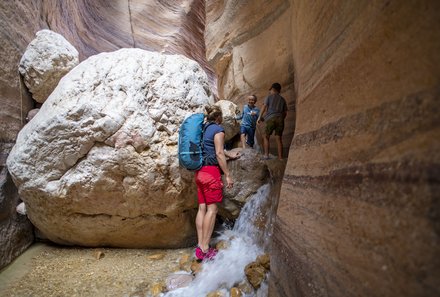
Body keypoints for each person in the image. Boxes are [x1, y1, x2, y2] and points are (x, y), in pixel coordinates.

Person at [194, 105, 240, 260]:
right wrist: (227, 175)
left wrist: (229, 154)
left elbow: (212, 150)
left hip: (200, 173)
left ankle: (200, 246)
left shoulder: (203, 129)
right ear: (219, 117)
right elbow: (219, 153)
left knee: (202, 208)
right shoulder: (218, 130)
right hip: (211, 174)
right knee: (212, 210)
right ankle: (206, 249)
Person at [257, 82, 287, 160]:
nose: (270, 91)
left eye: (270, 90)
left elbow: (264, 106)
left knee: (266, 136)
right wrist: (281, 119)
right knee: (279, 138)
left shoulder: (269, 97)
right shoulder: (283, 99)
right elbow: (285, 112)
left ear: (273, 89)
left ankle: (266, 155)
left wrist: (259, 117)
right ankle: (280, 158)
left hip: (271, 118)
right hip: (280, 118)